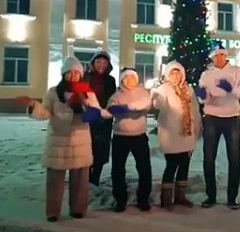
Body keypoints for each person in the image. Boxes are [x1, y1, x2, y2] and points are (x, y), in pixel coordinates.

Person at [15, 57, 104, 222]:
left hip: (80, 141)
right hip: (58, 140)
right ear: (64, 74)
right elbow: (45, 112)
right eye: (69, 72)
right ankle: (53, 211)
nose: (73, 75)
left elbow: (97, 111)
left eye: (76, 72)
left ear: (81, 74)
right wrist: (33, 105)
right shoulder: (54, 91)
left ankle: (78, 209)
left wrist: (85, 106)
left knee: (80, 179)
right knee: (54, 180)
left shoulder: (87, 91)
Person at [195, 43, 240, 209]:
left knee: (234, 158)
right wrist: (202, 96)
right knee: (209, 157)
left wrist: (229, 88)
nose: (219, 58)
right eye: (216, 55)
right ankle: (211, 196)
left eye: (222, 55)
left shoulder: (236, 71)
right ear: (212, 57)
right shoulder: (206, 74)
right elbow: (203, 97)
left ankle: (232, 197)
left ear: (226, 56)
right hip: (211, 116)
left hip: (231, 116)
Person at [152, 61, 202, 211]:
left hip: (186, 133)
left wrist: (197, 127)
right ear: (168, 74)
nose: (175, 76)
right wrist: (156, 97)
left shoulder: (188, 89)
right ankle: (166, 199)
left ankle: (180, 197)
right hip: (171, 133)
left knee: (184, 165)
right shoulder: (163, 89)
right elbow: (158, 105)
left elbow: (195, 109)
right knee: (171, 165)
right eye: (172, 73)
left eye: (178, 72)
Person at [105, 68, 153, 213]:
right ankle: (120, 199)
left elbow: (144, 105)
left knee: (144, 168)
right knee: (118, 170)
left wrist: (125, 108)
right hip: (120, 136)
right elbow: (111, 109)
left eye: (132, 77)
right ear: (122, 80)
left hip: (139, 136)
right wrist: (123, 110)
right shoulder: (117, 95)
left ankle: (143, 198)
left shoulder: (143, 93)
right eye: (126, 78)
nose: (129, 80)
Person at [84, 51, 117, 186]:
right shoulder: (85, 77)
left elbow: (112, 98)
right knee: (86, 147)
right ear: (93, 63)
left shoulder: (110, 80)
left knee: (101, 149)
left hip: (104, 119)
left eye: (104, 62)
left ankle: (95, 178)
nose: (101, 65)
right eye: (98, 62)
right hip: (88, 118)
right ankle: (85, 178)